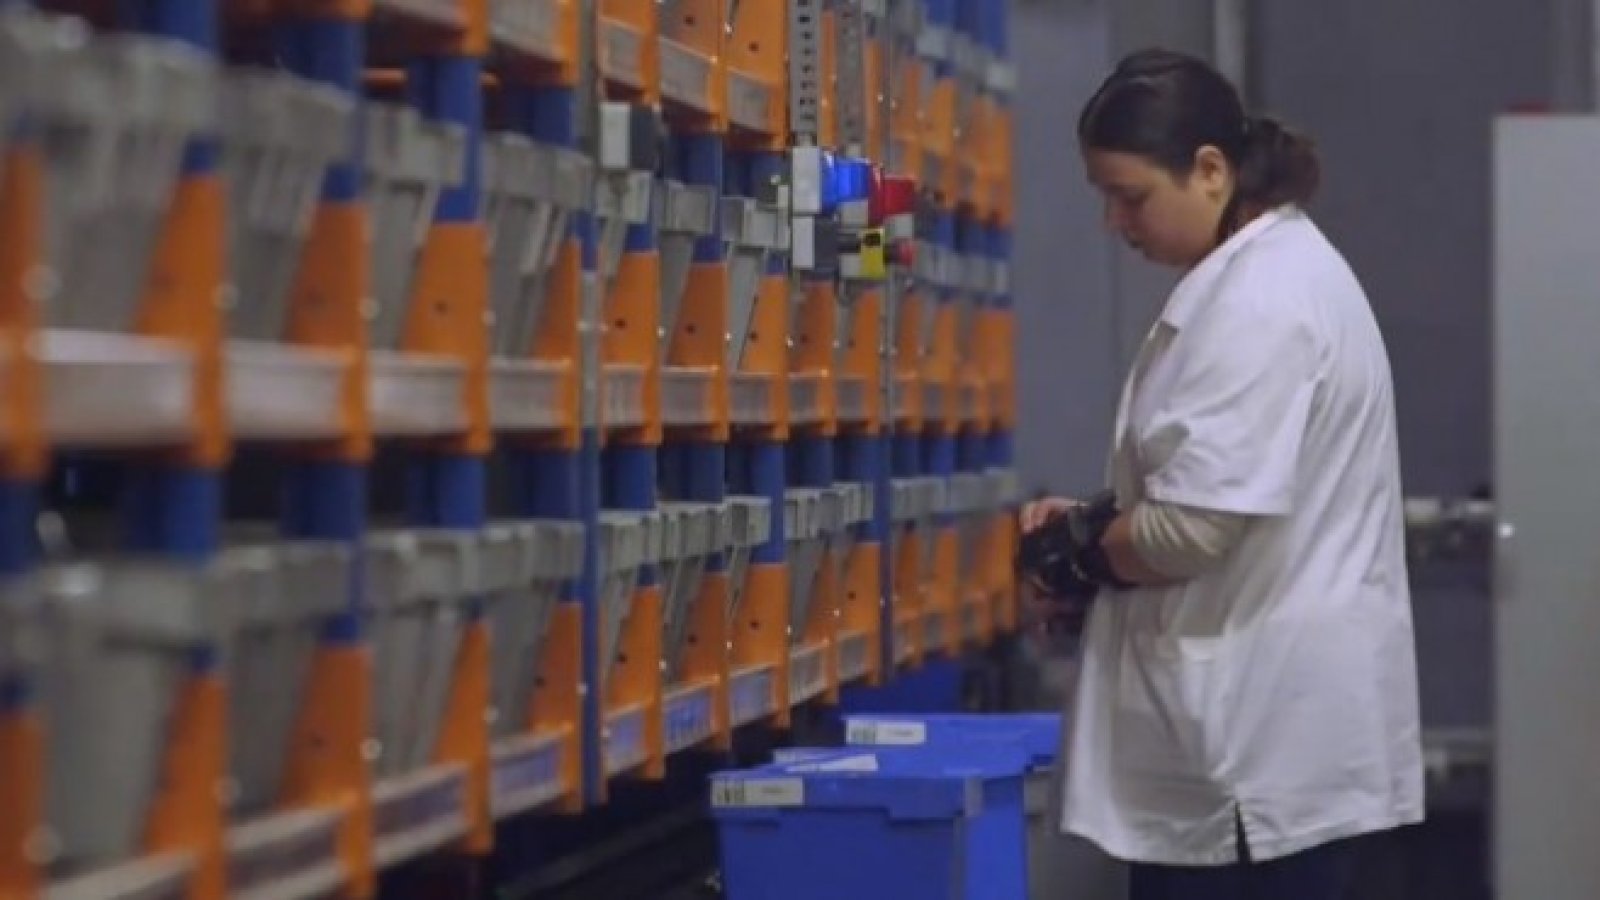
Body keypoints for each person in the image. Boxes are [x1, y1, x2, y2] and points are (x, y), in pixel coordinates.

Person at [1018, 49, 1425, 900]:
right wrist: (1100, 522)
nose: (1114, 222)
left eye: (1130, 197)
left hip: (1251, 761)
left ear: (1210, 170)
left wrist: (1080, 551)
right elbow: (1215, 483)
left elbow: (1191, 530)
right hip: (1258, 750)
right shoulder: (1267, 277)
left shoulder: (1260, 303)